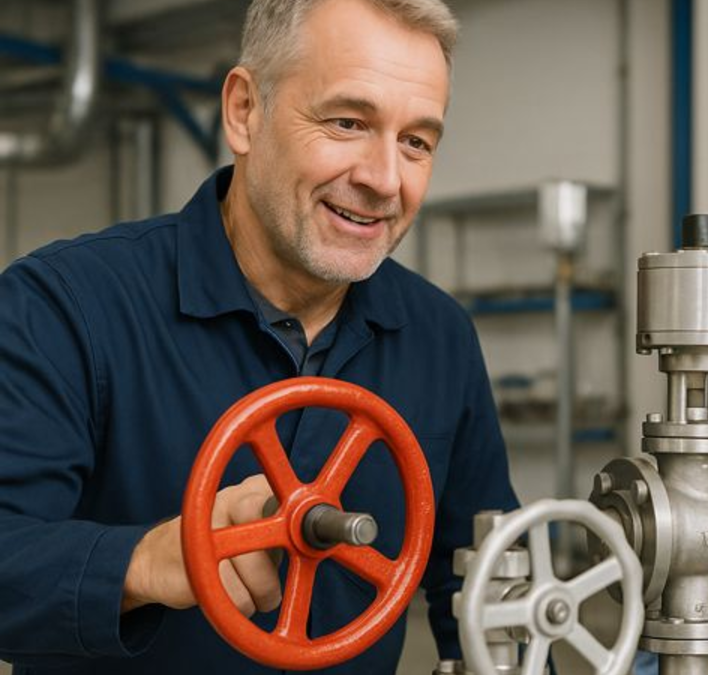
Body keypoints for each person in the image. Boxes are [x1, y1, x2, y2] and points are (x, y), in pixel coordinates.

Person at [0, 1, 519, 673]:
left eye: (416, 141)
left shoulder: (439, 337)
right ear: (244, 111)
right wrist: (148, 561)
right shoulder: (66, 305)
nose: (384, 179)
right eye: (348, 122)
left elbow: (486, 591)